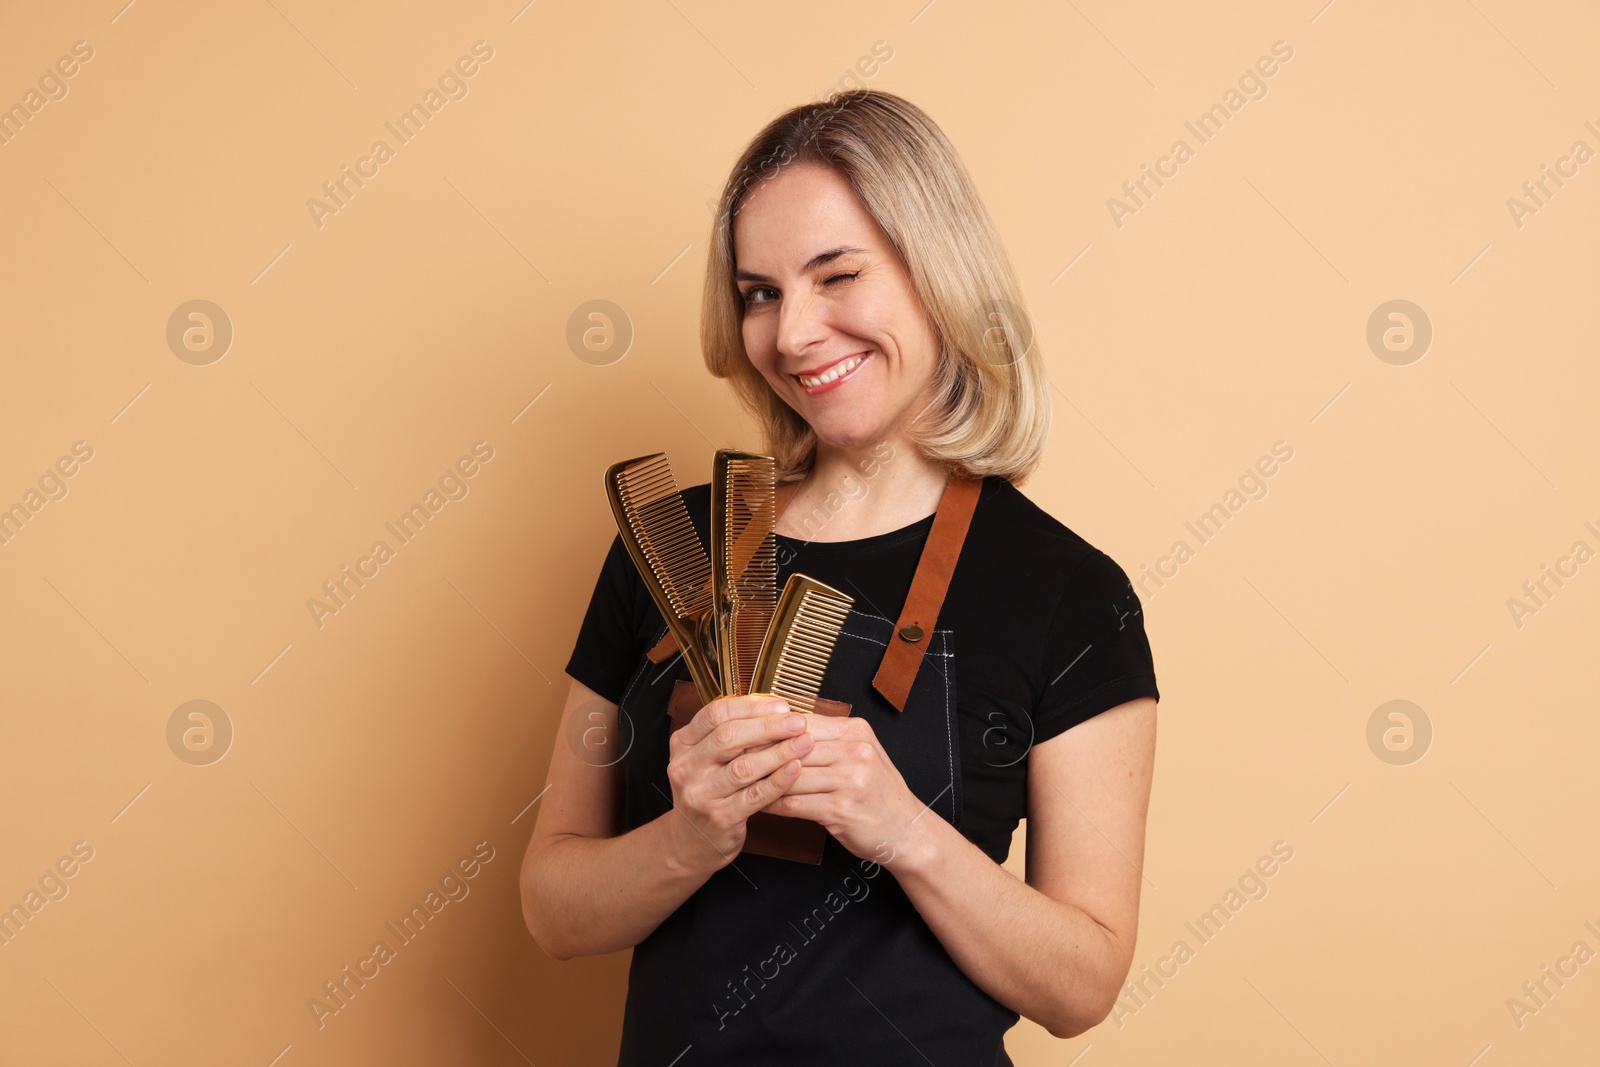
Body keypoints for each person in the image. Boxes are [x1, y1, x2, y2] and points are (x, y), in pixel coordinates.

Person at [521, 89, 1159, 1064]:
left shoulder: (1070, 594)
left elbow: (1082, 984)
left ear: (936, 271)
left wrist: (900, 827)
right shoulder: (667, 546)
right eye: (759, 292)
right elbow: (552, 910)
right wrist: (690, 833)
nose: (793, 334)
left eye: (836, 275)